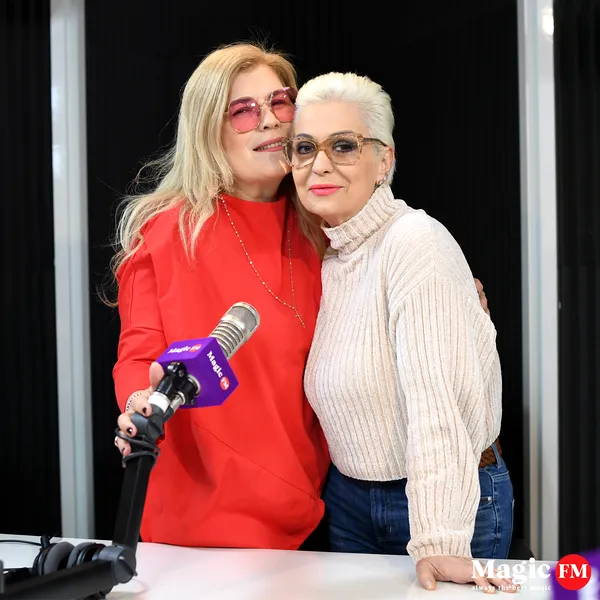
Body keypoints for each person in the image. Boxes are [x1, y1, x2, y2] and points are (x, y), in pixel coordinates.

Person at [110, 42, 492, 553]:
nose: (269, 120)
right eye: (243, 111)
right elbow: (138, 354)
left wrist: (456, 306)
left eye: (280, 102)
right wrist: (139, 404)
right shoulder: (167, 232)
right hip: (200, 508)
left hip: (317, 507)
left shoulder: (324, 224)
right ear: (208, 129)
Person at [283, 72, 517, 592]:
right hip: (349, 500)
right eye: (305, 147)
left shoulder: (415, 242)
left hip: (442, 501)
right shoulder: (330, 258)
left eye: (343, 146)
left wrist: (439, 538)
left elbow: (438, 404)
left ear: (383, 160)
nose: (320, 163)